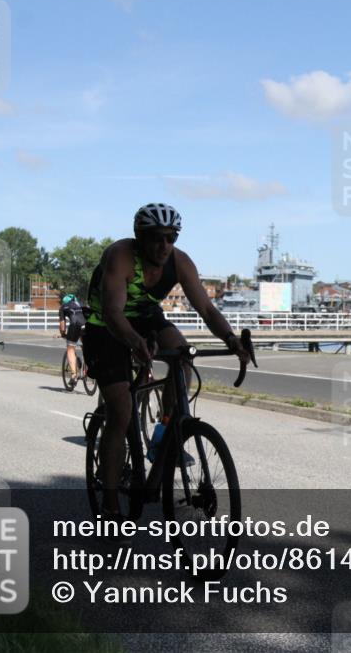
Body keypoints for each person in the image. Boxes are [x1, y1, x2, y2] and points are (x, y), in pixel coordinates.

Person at [84, 203, 250, 518]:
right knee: (120, 411)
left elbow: (208, 310)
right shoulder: (120, 256)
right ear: (140, 237)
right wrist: (134, 342)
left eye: (171, 237)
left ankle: (165, 432)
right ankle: (109, 501)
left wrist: (231, 339)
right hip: (104, 325)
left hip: (145, 317)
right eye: (157, 238)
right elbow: (112, 313)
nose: (164, 246)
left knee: (183, 354)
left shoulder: (180, 262)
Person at [59, 293, 85, 384]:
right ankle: (88, 370)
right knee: (86, 346)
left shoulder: (63, 307)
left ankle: (74, 375)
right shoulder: (82, 304)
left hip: (75, 325)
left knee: (70, 348)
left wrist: (63, 334)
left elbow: (62, 326)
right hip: (87, 326)